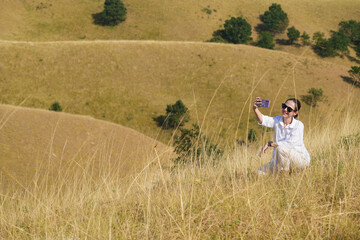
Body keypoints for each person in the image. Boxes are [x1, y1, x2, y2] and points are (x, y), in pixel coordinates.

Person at [253, 97, 310, 175]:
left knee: (280, 149)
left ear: (295, 113)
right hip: (279, 160)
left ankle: (284, 177)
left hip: (299, 161)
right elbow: (263, 120)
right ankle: (283, 172)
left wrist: (269, 144)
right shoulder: (277, 120)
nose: (285, 109)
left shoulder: (299, 125)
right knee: (259, 173)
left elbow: (289, 144)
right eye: (284, 106)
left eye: (289, 109)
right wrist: (255, 109)